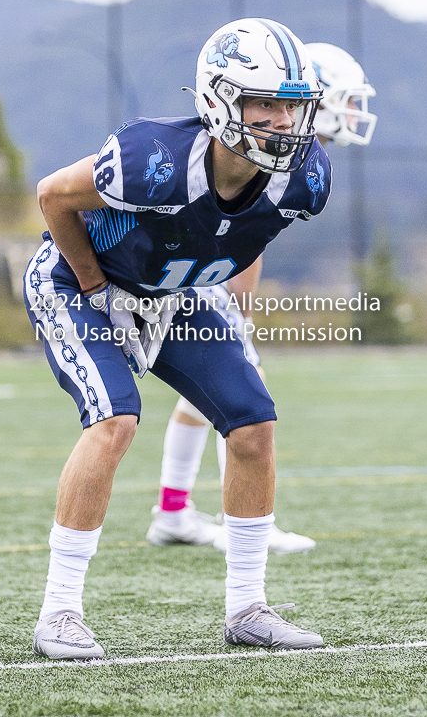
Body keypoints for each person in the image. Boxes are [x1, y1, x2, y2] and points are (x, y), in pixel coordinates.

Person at [25, 18, 332, 660]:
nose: (282, 121)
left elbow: (242, 236)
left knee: (252, 425)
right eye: (264, 103)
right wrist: (93, 287)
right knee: (115, 422)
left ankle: (248, 608)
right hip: (78, 283)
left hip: (171, 293)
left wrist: (223, 312)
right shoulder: (154, 162)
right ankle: (59, 611)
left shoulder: (305, 178)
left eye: (292, 104)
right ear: (220, 100)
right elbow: (53, 195)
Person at [146, 41, 378, 553]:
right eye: (348, 99)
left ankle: (173, 512)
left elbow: (252, 236)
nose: (356, 112)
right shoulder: (271, 146)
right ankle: (244, 524)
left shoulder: (295, 155)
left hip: (193, 269)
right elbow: (241, 236)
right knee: (247, 396)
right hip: (182, 269)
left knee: (210, 394)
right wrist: (240, 309)